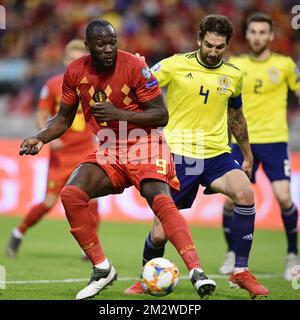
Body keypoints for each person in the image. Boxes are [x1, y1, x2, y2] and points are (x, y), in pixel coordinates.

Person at [19, 20, 216, 300]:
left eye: (113, 42)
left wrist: (119, 114)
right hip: (109, 148)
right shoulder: (75, 71)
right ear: (88, 47)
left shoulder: (135, 66)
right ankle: (102, 268)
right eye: (101, 44)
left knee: (159, 198)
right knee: (71, 194)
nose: (109, 49)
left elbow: (161, 114)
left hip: (144, 143)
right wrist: (40, 137)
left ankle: (196, 271)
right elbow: (63, 117)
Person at [125, 14, 269, 298]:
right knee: (160, 232)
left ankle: (241, 271)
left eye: (220, 47)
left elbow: (236, 116)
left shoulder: (234, 74)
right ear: (199, 40)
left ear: (227, 45)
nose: (214, 52)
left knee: (245, 194)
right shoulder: (175, 64)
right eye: (210, 45)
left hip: (217, 153)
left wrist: (247, 154)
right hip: (179, 153)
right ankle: (145, 277)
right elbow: (141, 86)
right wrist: (134, 67)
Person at [219, 13, 300, 280]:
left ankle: (292, 254)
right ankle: (231, 254)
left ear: (271, 36)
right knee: (231, 199)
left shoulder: (286, 65)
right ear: (247, 34)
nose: (257, 37)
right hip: (240, 142)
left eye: (262, 32)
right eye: (253, 32)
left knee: (284, 197)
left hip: (275, 140)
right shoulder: (234, 64)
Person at [6, 39, 99, 258]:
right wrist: (46, 137)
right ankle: (18, 232)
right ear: (66, 60)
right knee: (48, 203)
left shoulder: (93, 85)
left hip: (86, 151)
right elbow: (41, 115)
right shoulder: (53, 85)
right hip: (61, 154)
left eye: (82, 59)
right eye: (73, 59)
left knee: (92, 200)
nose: (77, 63)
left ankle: (90, 248)